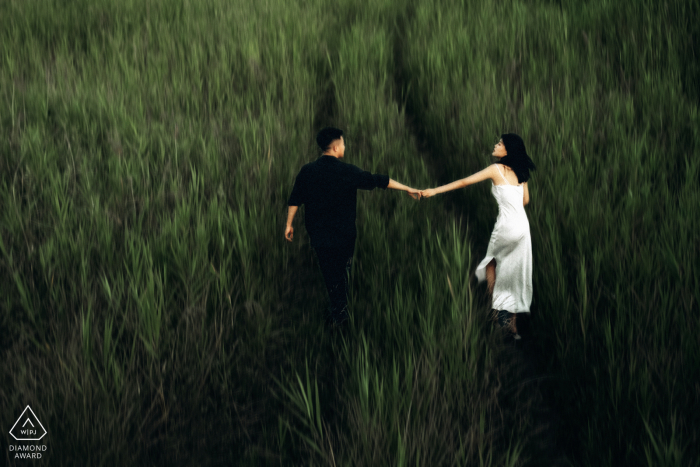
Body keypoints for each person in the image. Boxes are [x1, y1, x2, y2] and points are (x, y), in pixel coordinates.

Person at [285, 127, 421, 330]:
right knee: (342, 271)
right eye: (343, 143)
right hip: (344, 236)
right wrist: (407, 188)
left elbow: (296, 198)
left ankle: (338, 309)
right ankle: (341, 315)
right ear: (336, 147)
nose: (345, 146)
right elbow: (378, 180)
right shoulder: (347, 171)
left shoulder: (307, 171)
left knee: (329, 272)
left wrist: (289, 224)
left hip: (319, 235)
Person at [420, 134, 536, 341]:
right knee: (514, 272)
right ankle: (513, 329)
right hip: (522, 228)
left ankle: (497, 313)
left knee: (491, 263)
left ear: (507, 150)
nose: (496, 145)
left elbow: (465, 182)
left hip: (506, 226)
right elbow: (525, 200)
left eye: (500, 143)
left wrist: (435, 191)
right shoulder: (522, 172)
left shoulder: (496, 169)